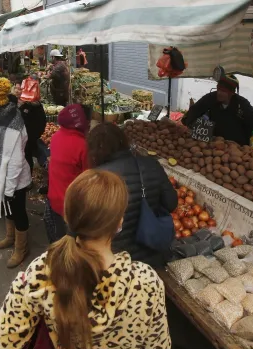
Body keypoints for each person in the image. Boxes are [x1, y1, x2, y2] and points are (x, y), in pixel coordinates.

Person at [0, 169, 171, 349]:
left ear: (67, 217)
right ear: (119, 222)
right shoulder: (147, 282)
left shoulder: (43, 273)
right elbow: (159, 346)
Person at [87, 123, 178, 267]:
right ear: (124, 141)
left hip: (117, 262)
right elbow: (171, 203)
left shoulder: (95, 178)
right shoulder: (151, 164)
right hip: (152, 255)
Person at [0, 78, 32, 269]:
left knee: (18, 212)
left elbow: (16, 161)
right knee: (8, 210)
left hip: (14, 180)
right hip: (3, 178)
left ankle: (21, 247)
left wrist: (8, 188)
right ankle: (10, 237)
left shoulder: (14, 123)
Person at [46, 104, 89, 243]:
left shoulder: (56, 136)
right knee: (72, 244)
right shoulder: (82, 145)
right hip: (71, 204)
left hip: (54, 198)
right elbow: (88, 178)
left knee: (59, 240)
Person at [181, 74, 253, 146]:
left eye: (223, 91)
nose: (219, 93)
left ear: (232, 93)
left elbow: (252, 127)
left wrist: (251, 146)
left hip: (236, 146)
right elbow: (195, 110)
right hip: (215, 143)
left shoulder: (243, 105)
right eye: (218, 89)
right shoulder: (211, 98)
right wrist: (187, 123)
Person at [11, 79, 46, 173]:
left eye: (21, 89)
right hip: (15, 140)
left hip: (27, 139)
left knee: (26, 159)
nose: (18, 91)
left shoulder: (34, 105)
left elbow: (40, 123)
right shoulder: (11, 102)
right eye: (16, 89)